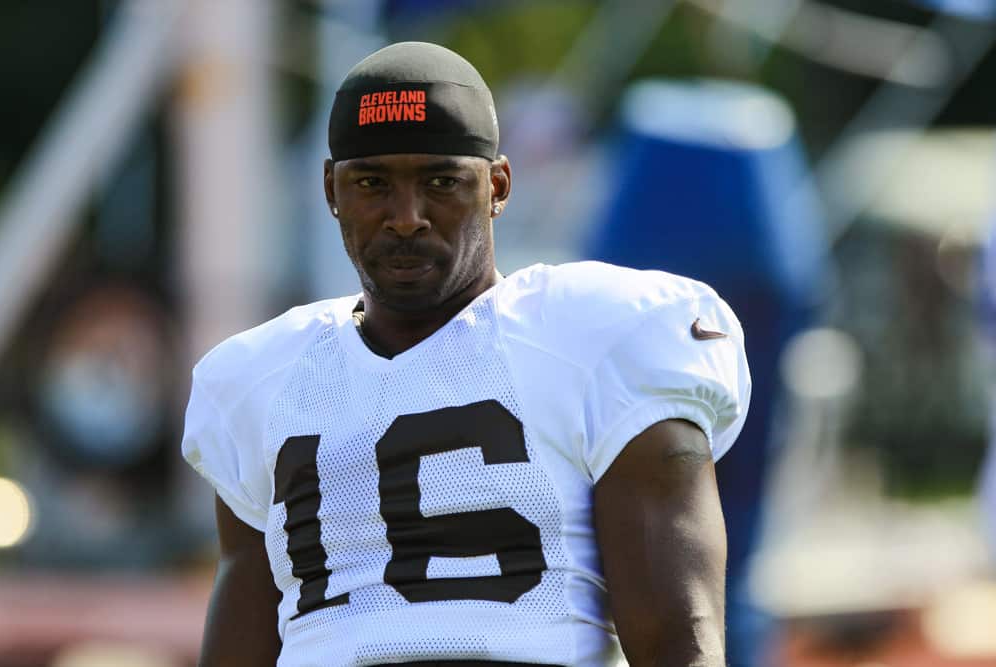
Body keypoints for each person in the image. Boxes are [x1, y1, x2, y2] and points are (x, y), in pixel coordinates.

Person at [181, 41, 751, 667]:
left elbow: (682, 639)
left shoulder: (600, 336)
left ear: (496, 186)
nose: (406, 217)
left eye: (441, 182)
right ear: (331, 189)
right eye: (373, 183)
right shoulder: (258, 380)